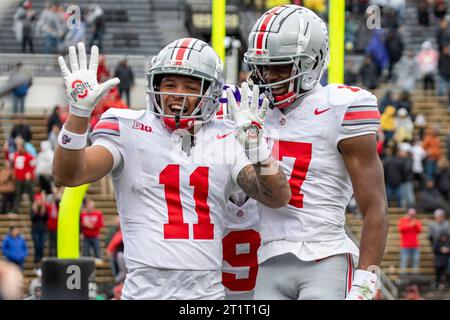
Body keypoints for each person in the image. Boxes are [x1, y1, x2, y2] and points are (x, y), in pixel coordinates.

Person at [53, 41, 290, 300]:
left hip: (206, 294)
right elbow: (69, 175)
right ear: (155, 86)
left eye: (191, 86)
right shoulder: (128, 129)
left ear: (211, 92)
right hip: (144, 291)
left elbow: (276, 197)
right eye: (170, 85)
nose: (178, 94)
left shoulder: (226, 138)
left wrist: (258, 151)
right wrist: (78, 114)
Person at [243, 5, 388, 300]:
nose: (269, 77)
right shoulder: (247, 109)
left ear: (313, 62)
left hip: (326, 256)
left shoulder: (341, 107)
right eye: (263, 66)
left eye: (281, 66)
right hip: (269, 258)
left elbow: (375, 206)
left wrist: (366, 279)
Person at [11, 137, 35, 214]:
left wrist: (29, 173)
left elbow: (33, 166)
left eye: (19, 146)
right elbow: (14, 166)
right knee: (17, 194)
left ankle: (34, 209)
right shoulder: (15, 155)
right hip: (18, 178)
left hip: (28, 179)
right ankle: (15, 209)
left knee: (31, 194)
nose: (18, 148)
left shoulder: (29, 156)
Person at [397, 208, 422, 274]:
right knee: (404, 261)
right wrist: (410, 225)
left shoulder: (416, 221)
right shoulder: (403, 220)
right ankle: (403, 277)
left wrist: (414, 224)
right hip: (405, 246)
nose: (412, 216)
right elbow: (401, 229)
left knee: (416, 262)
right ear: (408, 214)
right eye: (411, 214)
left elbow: (419, 230)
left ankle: (415, 277)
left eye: (413, 215)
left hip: (415, 245)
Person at [30, 192, 48, 267]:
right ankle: (36, 261)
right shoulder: (32, 208)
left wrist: (43, 208)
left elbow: (45, 218)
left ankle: (41, 261)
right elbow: (32, 218)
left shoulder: (44, 208)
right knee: (37, 246)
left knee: (41, 246)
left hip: (43, 230)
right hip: (35, 230)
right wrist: (35, 210)